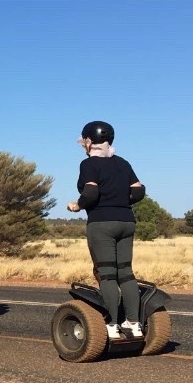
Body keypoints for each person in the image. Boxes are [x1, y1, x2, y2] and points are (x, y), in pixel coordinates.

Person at [65, 120, 147, 339]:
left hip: (102, 222)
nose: (83, 145)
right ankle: (134, 323)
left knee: (107, 274)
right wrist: (120, 199)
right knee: (126, 273)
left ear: (90, 141)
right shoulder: (122, 163)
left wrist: (77, 205)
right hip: (127, 221)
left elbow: (91, 193)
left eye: (84, 141)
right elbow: (138, 192)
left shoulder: (89, 164)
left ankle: (111, 325)